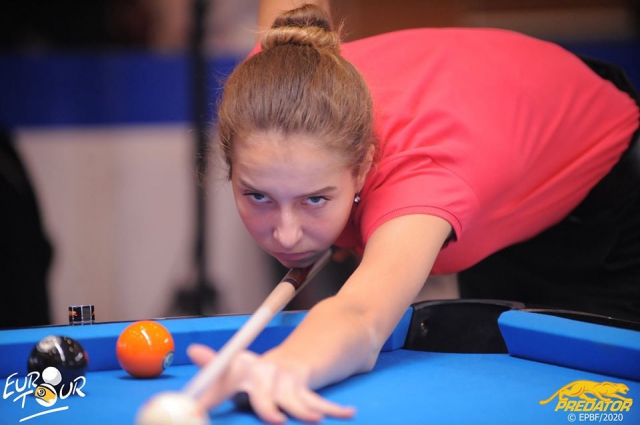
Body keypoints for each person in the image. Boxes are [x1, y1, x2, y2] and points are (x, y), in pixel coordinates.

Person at [187, 1, 640, 423]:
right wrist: (334, 215)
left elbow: (362, 315)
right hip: (500, 145)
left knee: (585, 398)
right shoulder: (273, 80)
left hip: (603, 186)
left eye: (315, 199)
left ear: (363, 169)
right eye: (259, 196)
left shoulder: (423, 179)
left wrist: (285, 366)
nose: (287, 235)